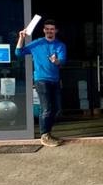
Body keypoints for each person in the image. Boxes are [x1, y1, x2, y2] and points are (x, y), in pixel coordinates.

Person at [16, 19, 67, 147]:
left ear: (56, 30)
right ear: (44, 30)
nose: (50, 31)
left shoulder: (60, 45)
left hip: (54, 80)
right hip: (41, 80)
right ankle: (44, 136)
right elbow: (18, 53)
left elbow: (62, 61)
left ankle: (48, 133)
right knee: (47, 108)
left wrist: (56, 62)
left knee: (56, 109)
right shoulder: (37, 44)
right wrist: (21, 37)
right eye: (47, 28)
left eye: (52, 29)